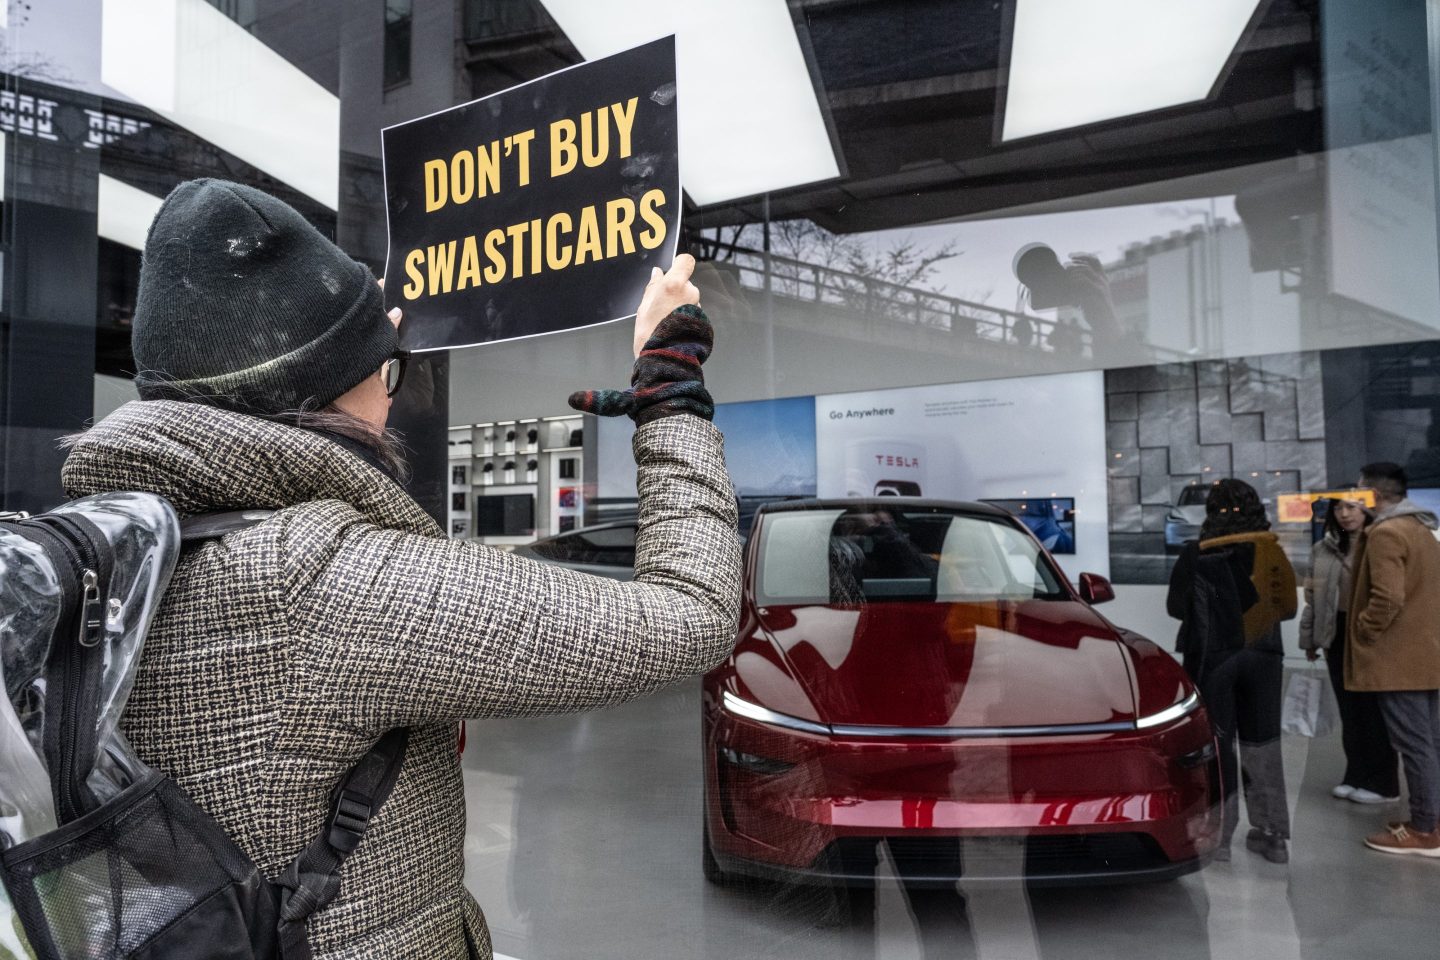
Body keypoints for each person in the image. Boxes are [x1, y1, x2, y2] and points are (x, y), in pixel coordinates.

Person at [59, 179, 742, 958]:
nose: (391, 392)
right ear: (325, 391)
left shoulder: (117, 554)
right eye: (388, 372)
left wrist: (351, 345)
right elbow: (690, 613)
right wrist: (671, 391)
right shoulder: (315, 585)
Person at [1167, 478, 1296, 863]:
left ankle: (1218, 837)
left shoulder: (1196, 553)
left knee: (1218, 745)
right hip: (1264, 658)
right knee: (1262, 743)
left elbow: (1176, 607)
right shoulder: (1271, 552)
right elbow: (1287, 606)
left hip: (1213, 659)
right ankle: (1272, 836)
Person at [1346, 463, 1440, 857]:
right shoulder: (1422, 530)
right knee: (1430, 743)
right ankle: (1431, 820)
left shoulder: (1386, 533)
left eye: (1360, 489)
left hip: (1398, 659)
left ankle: (1424, 830)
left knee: (1414, 745)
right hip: (1426, 654)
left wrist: (1365, 631)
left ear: (1376, 496)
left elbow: (1387, 598)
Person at [1299, 498, 1400, 804]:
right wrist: (1310, 640)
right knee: (1350, 710)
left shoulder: (1379, 544)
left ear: (1367, 510)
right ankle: (1355, 774)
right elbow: (1313, 598)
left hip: (1370, 636)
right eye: (1339, 508)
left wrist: (1371, 631)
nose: (1344, 514)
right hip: (1336, 634)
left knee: (1373, 711)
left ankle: (1384, 784)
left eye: (1352, 507)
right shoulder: (1323, 549)